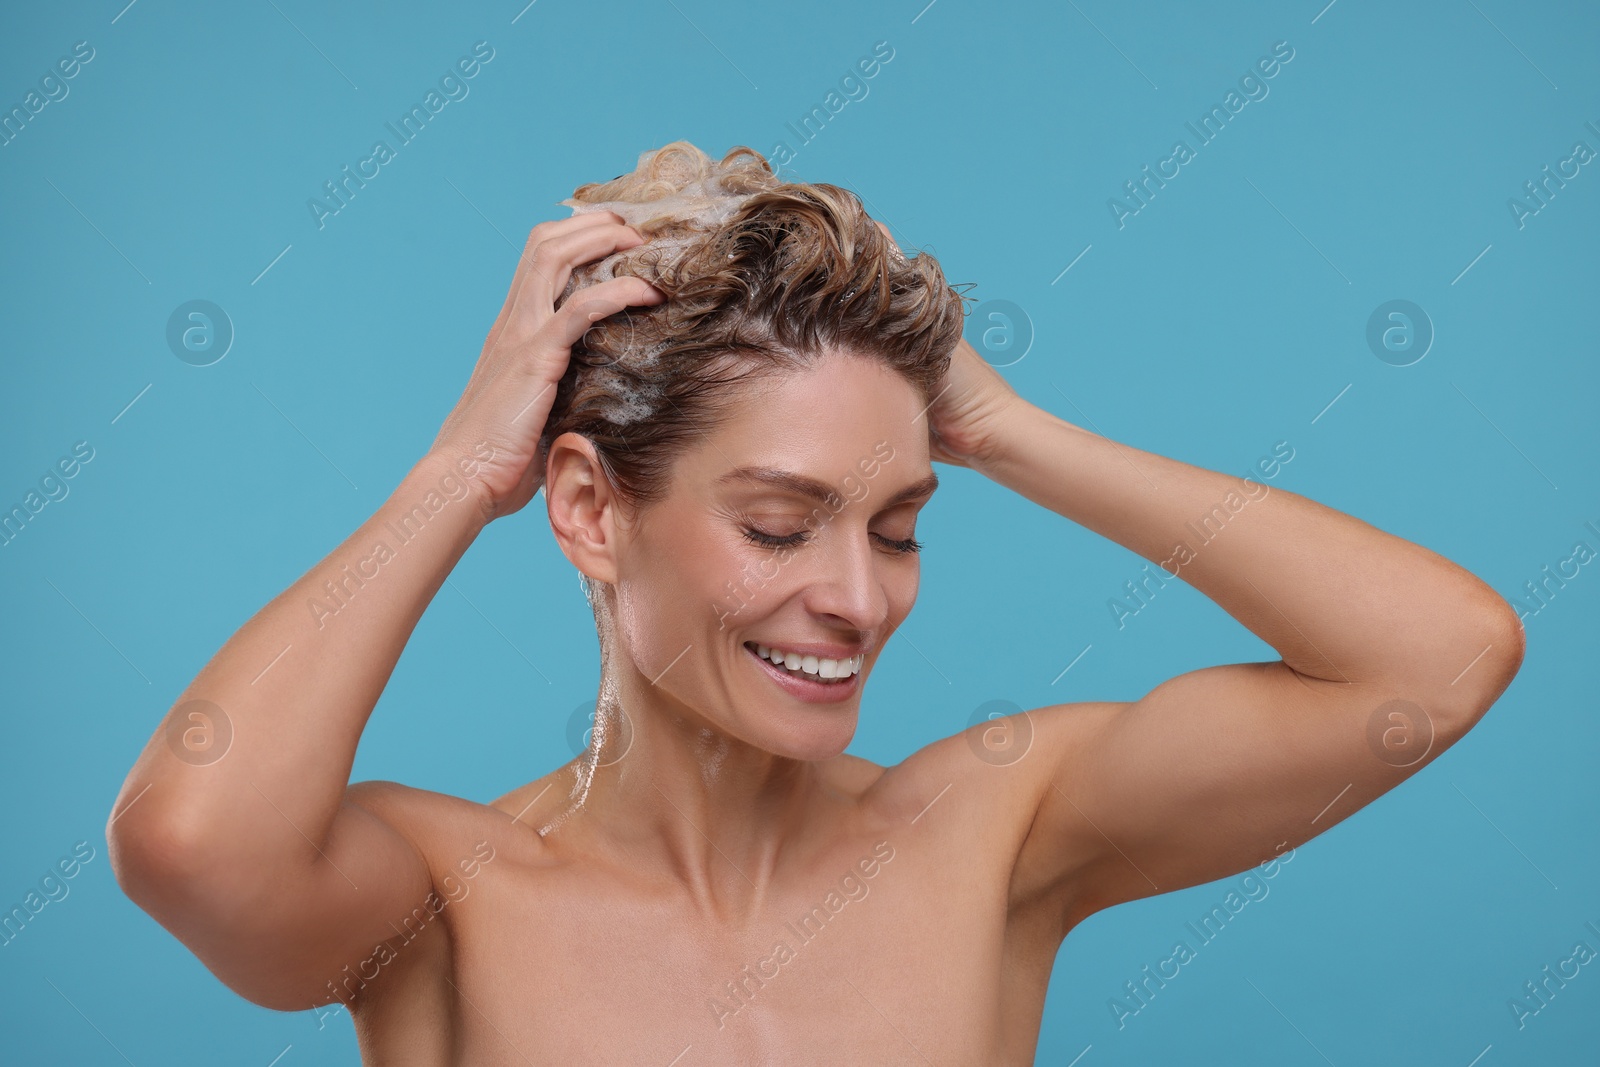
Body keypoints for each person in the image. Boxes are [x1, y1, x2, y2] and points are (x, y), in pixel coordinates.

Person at [106, 142, 1524, 1064]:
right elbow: (189, 840)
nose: (856, 598)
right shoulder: (446, 899)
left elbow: (1438, 659)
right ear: (594, 511)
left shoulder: (997, 832)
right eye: (781, 525)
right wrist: (465, 470)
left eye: (899, 528)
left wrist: (1010, 433)